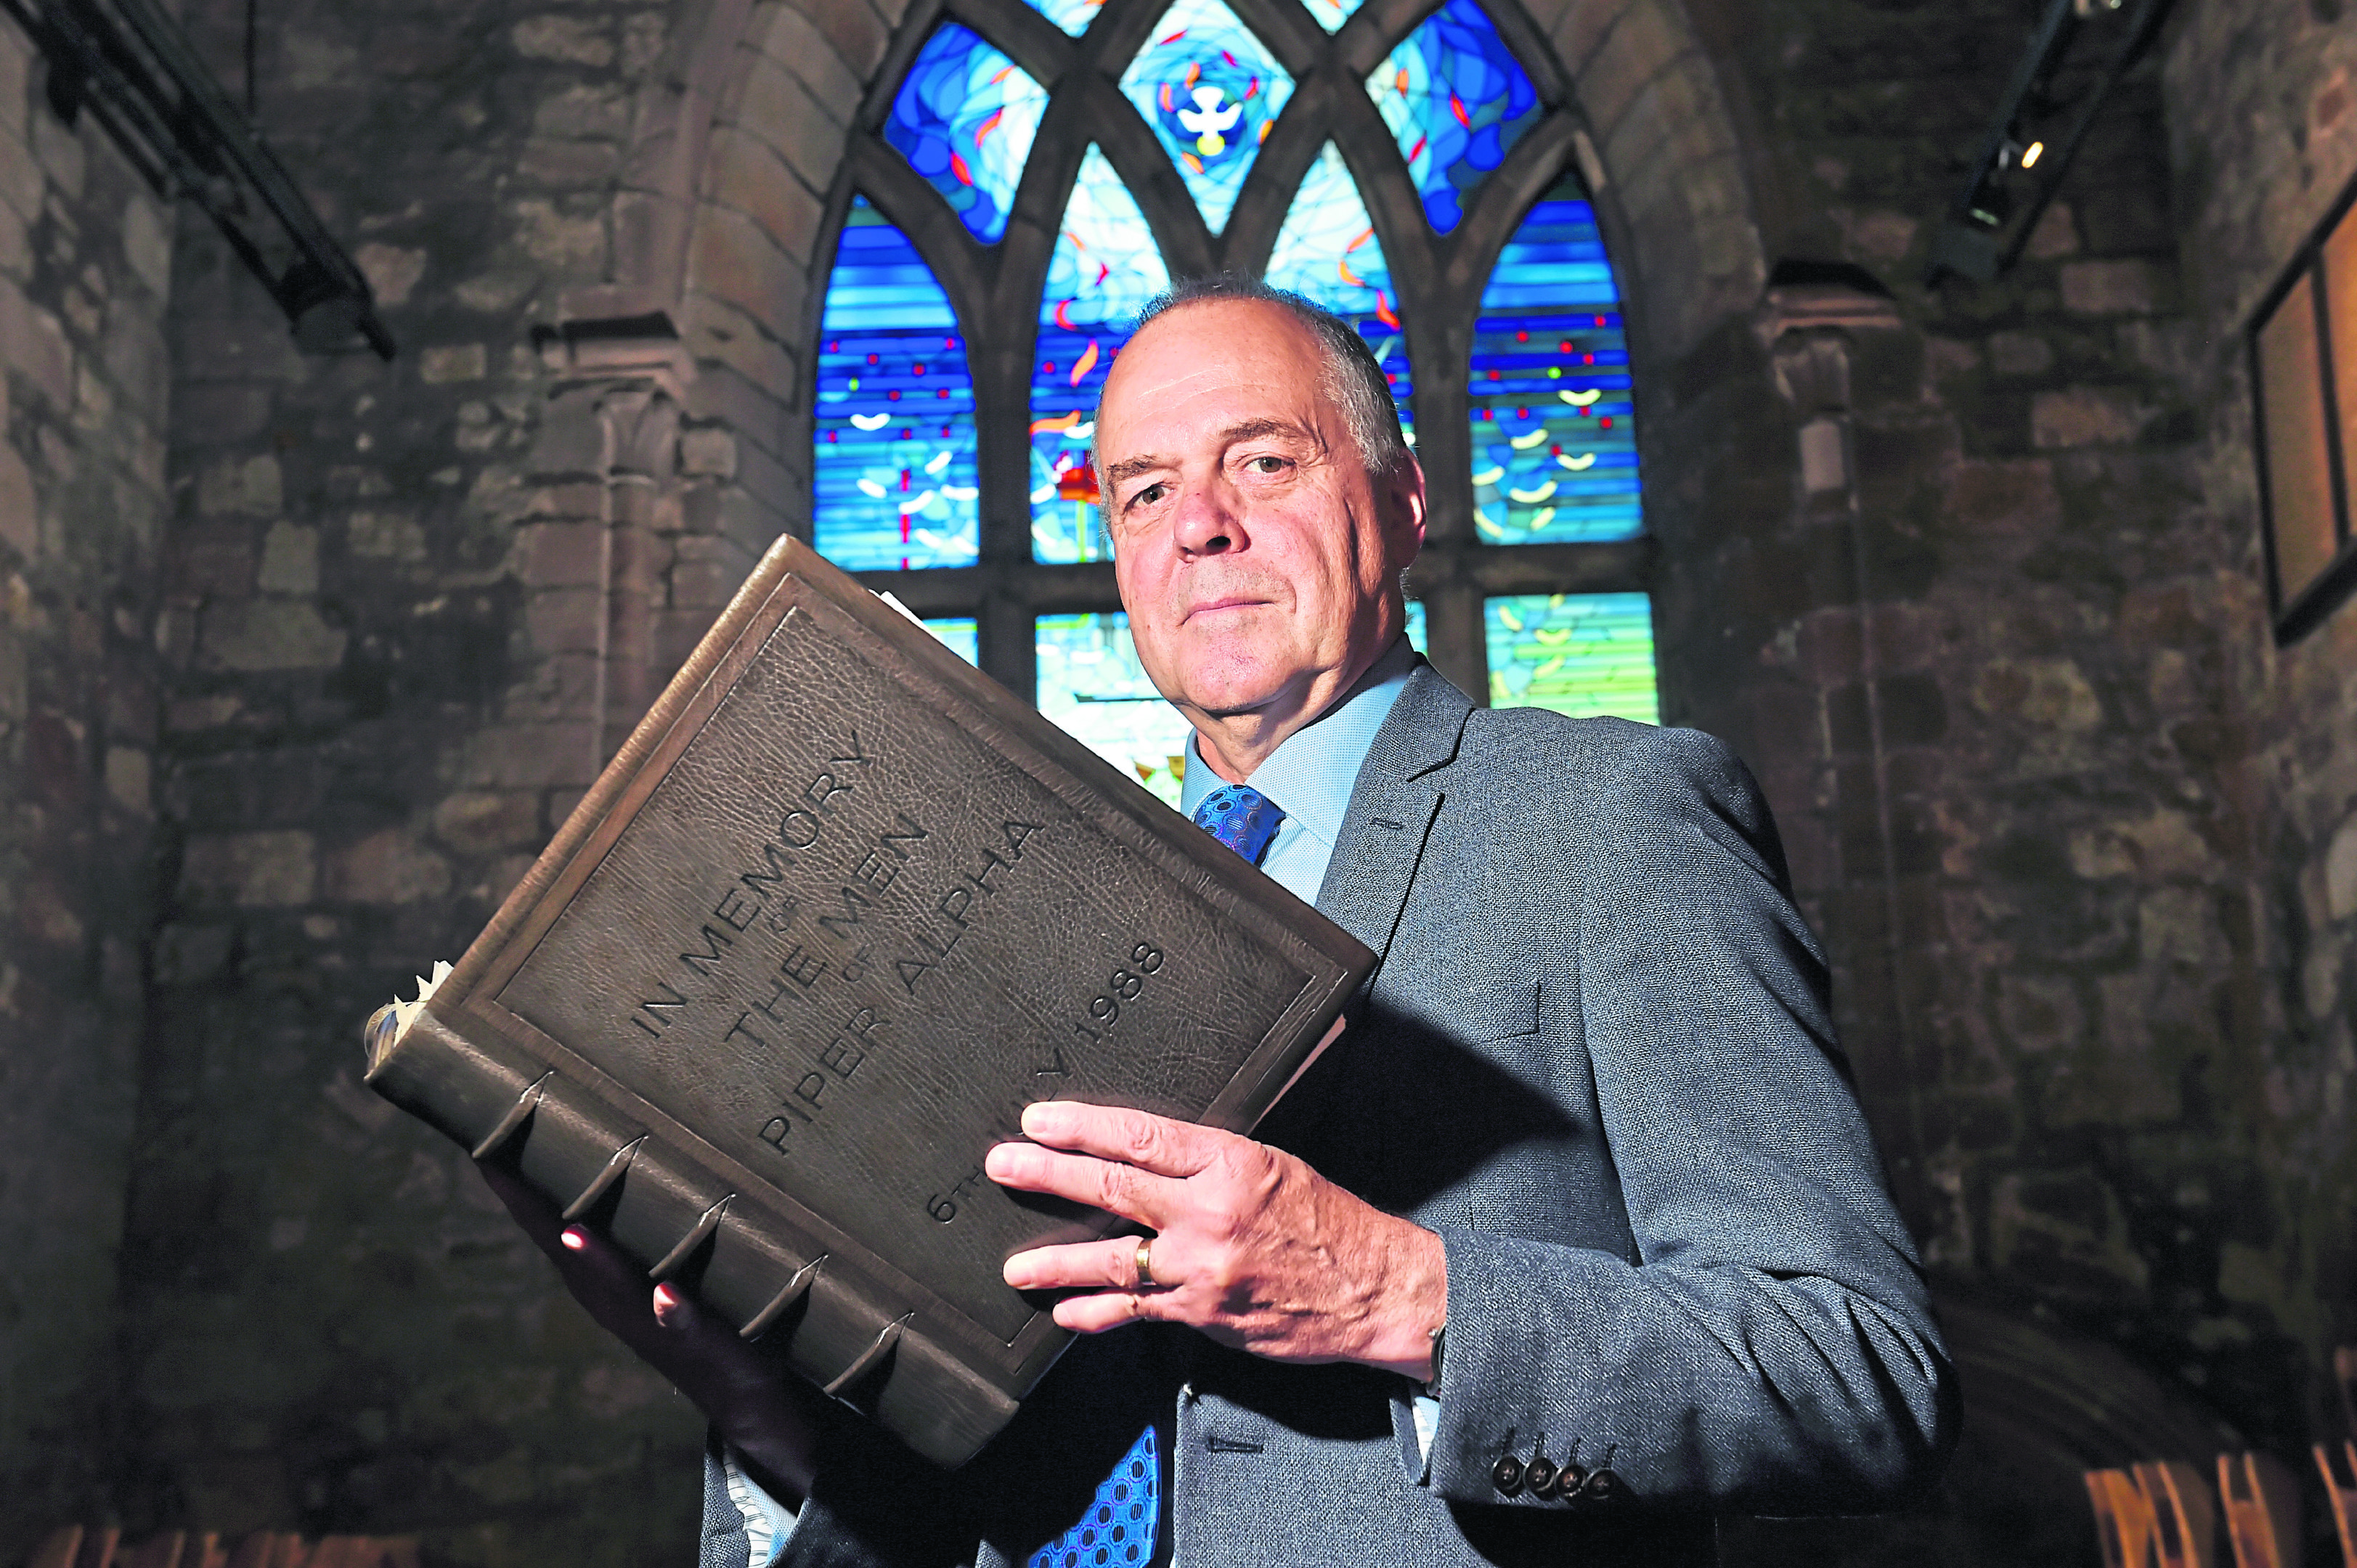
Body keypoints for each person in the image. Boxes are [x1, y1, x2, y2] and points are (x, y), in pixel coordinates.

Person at [486, 276, 1957, 1567]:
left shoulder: (1610, 818)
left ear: (1405, 499)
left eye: (1265, 459)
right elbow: (1005, 1483)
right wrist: (761, 1414)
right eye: (1142, 491)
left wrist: (1398, 1292)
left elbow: (1858, 1372)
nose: (1200, 524)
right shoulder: (1017, 907)